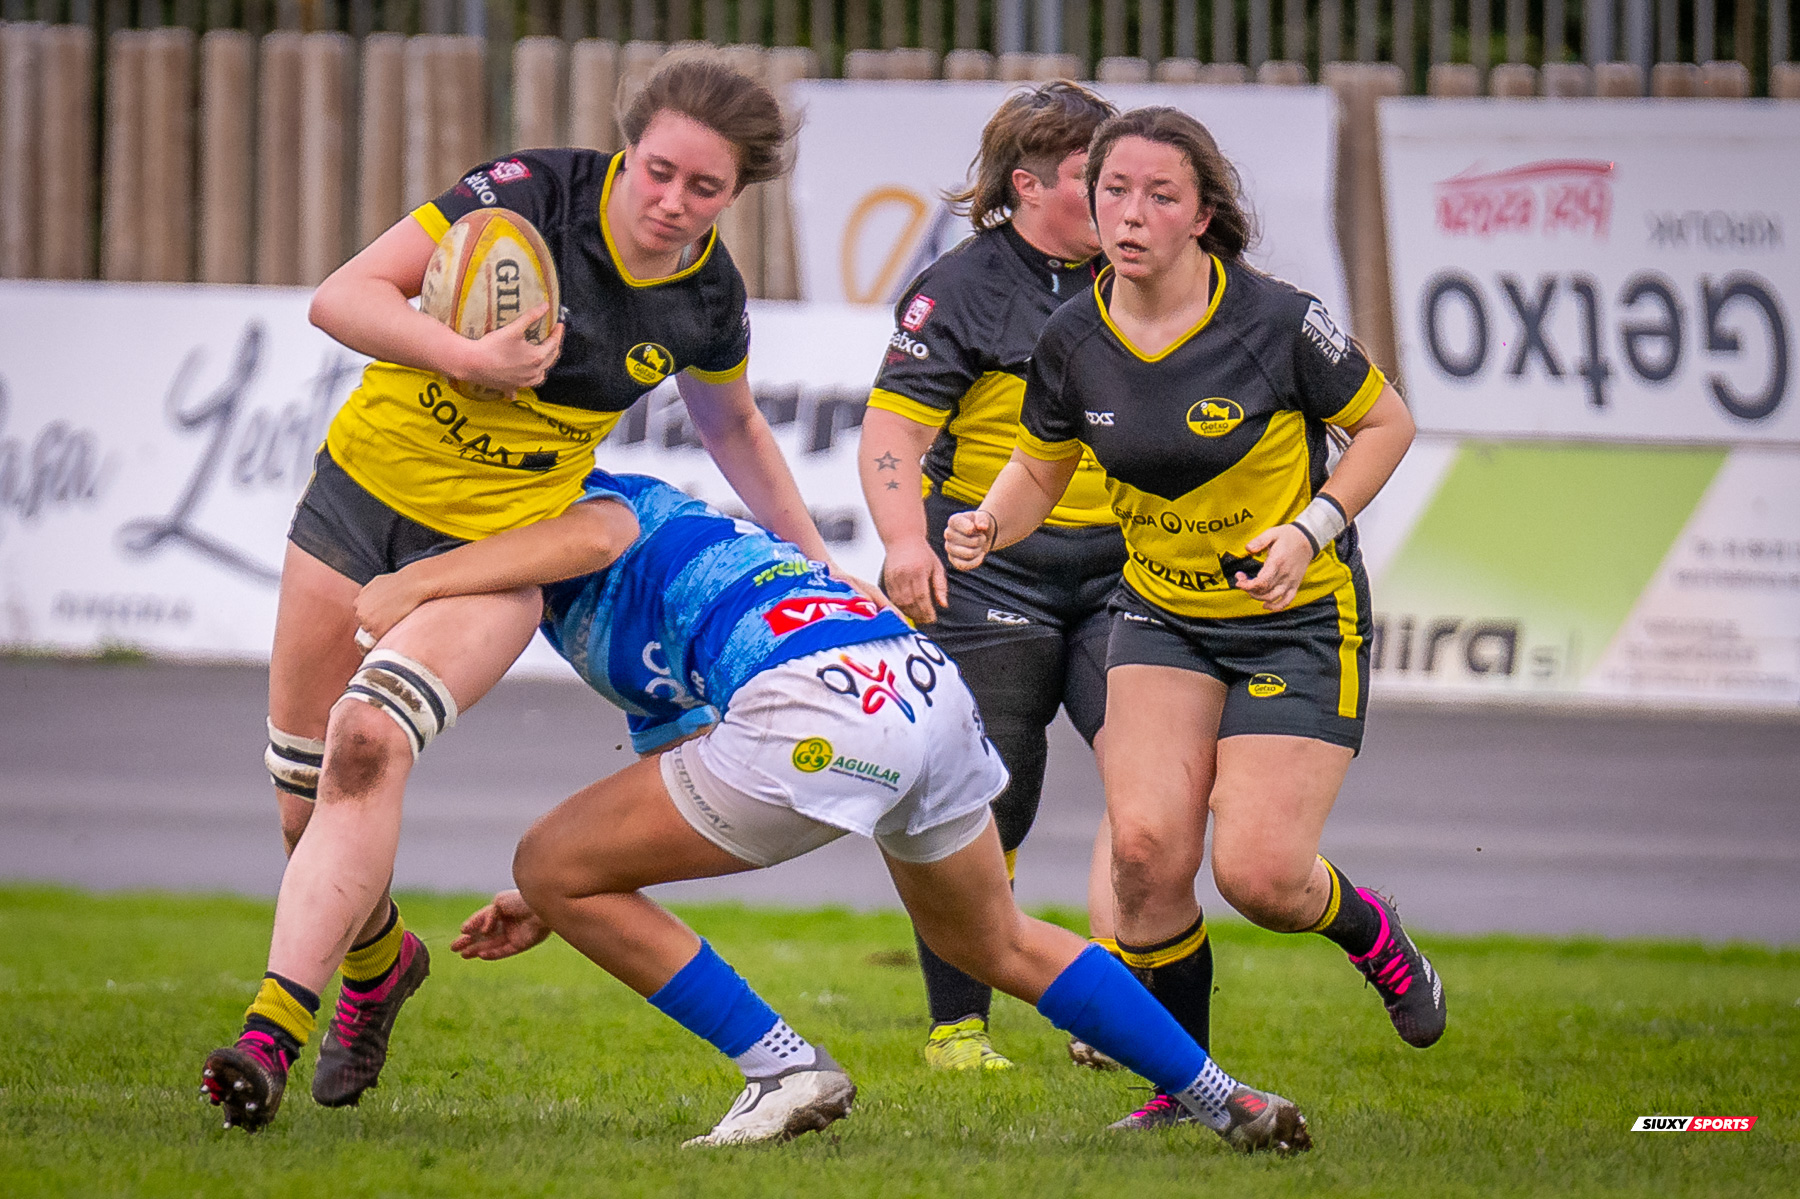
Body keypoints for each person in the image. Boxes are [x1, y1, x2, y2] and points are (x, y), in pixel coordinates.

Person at [251, 466, 1309, 1153]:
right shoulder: (608, 597)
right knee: (996, 940)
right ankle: (1229, 1098)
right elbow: (681, 746)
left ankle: (786, 1067)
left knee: (552, 856)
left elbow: (591, 534)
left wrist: (412, 587)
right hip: (917, 686)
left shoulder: (599, 499)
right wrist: (565, 888)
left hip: (823, 702)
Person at [201, 54, 854, 1130]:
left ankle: (271, 1029)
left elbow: (731, 424)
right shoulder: (529, 193)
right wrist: (462, 353)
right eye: (659, 172)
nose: (673, 203)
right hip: (357, 504)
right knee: (301, 803)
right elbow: (342, 296)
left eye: (706, 188)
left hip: (506, 542)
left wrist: (814, 559)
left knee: (371, 741)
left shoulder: (705, 295)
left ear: (737, 194)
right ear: (627, 147)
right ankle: (381, 963)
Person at [944, 107, 1445, 1129]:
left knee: (1259, 874)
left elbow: (1388, 421)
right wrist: (989, 522)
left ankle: (1375, 934)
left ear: (1202, 213)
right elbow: (1041, 469)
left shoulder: (1273, 320)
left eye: (1158, 195)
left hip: (1296, 618)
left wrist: (1311, 527)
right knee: (1142, 858)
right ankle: (1192, 1086)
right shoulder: (1074, 335)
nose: (1129, 214)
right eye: (1113, 191)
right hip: (1163, 615)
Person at [858, 81, 1135, 1073]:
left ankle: (1114, 1003)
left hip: (1134, 568)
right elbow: (895, 427)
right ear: (1027, 184)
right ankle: (959, 1026)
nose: (1121, 199)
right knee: (989, 794)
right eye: (1094, 179)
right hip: (989, 570)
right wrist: (904, 541)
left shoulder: (1153, 274)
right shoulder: (962, 286)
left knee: (1153, 786)